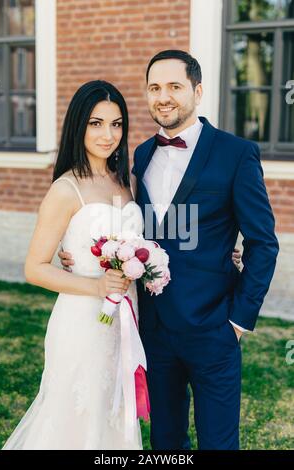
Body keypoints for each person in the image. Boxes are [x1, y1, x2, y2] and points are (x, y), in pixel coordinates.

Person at [58, 50, 279, 450]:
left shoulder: (236, 153)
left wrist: (239, 321)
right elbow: (126, 226)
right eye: (154, 87)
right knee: (165, 442)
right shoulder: (140, 155)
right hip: (153, 331)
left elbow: (263, 243)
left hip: (214, 328)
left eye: (174, 86)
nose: (164, 96)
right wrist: (76, 249)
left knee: (219, 442)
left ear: (197, 91)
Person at [2, 81, 145, 450]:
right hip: (82, 323)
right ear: (79, 124)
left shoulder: (128, 181)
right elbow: (34, 268)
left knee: (115, 416)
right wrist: (96, 286)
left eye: (116, 124)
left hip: (126, 325)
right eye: (96, 123)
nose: (107, 134)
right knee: (78, 418)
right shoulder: (66, 190)